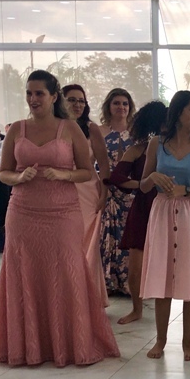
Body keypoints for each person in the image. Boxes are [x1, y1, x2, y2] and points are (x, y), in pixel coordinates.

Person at [0, 70, 119, 367]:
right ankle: (29, 347)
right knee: (25, 272)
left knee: (66, 272)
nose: (33, 99)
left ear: (53, 96)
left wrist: (63, 175)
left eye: (39, 93)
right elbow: (3, 172)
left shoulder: (69, 128)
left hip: (62, 212)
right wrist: (18, 177)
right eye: (29, 93)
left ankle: (68, 344)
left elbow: (86, 171)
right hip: (22, 211)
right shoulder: (16, 129)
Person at [139, 90, 190, 361]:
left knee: (189, 279)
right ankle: (160, 341)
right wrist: (153, 177)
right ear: (178, 111)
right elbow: (143, 185)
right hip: (162, 213)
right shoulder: (156, 144)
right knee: (163, 276)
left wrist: (187, 191)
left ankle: (188, 343)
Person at [105, 100, 167, 325]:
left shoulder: (174, 148)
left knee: (175, 262)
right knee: (136, 265)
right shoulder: (138, 149)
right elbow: (116, 177)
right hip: (143, 207)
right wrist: (142, 184)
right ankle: (137, 309)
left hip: (167, 206)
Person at [63, 84, 111, 305]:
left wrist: (104, 194)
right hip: (61, 191)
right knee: (65, 244)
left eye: (81, 100)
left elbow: (104, 166)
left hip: (88, 192)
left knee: (86, 247)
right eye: (72, 100)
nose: (78, 104)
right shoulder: (56, 127)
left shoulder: (91, 129)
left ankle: (88, 298)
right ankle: (67, 296)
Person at [98, 87, 136, 295]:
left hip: (131, 192)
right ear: (109, 106)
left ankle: (131, 282)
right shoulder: (100, 131)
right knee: (107, 236)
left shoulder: (136, 132)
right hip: (108, 190)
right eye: (117, 103)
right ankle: (109, 281)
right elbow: (91, 160)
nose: (121, 107)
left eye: (125, 103)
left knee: (129, 236)